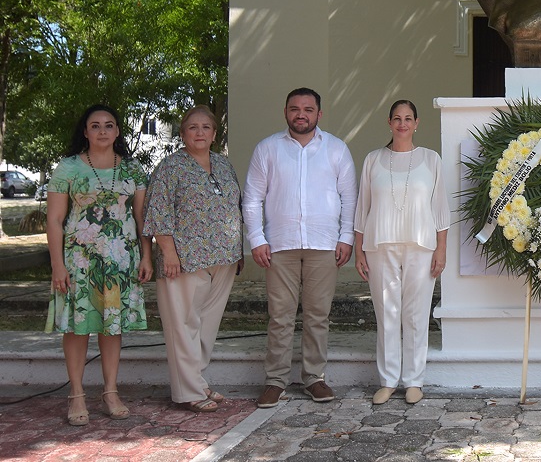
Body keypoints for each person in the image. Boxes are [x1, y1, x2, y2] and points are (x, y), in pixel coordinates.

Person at [244, 87, 357, 407]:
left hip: (324, 245)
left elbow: (349, 198)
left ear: (319, 114)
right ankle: (275, 380)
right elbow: (252, 197)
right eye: (295, 108)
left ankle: (314, 378)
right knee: (279, 315)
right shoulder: (267, 149)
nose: (301, 114)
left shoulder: (336, 149)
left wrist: (345, 237)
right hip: (279, 244)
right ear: (285, 112)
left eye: (308, 109)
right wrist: (257, 238)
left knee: (318, 315)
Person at [45, 104, 152, 426]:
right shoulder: (67, 168)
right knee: (78, 327)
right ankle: (76, 394)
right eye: (95, 125)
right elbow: (54, 219)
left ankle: (110, 392)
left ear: (118, 131)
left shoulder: (133, 170)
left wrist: (147, 256)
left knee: (112, 326)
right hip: (78, 261)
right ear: (85, 131)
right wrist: (57, 265)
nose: (103, 131)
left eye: (109, 125)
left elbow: (142, 217)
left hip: (120, 261)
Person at [143, 106, 243, 413]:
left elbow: (236, 208)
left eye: (205, 127)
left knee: (206, 325)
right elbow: (158, 212)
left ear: (214, 133)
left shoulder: (224, 165)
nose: (199, 133)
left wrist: (237, 251)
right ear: (183, 133)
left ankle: (197, 380)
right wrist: (169, 252)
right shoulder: (171, 167)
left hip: (223, 258)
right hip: (183, 260)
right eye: (192, 127)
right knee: (182, 325)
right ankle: (188, 391)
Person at [354, 100, 450, 405]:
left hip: (422, 245)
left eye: (408, 118)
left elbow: (441, 209)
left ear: (417, 123)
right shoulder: (373, 159)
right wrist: (359, 250)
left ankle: (413, 381)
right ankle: (388, 379)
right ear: (389, 122)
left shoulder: (430, 159)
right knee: (387, 312)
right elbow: (362, 208)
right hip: (380, 243)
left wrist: (441, 250)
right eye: (397, 118)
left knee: (416, 313)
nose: (402, 123)